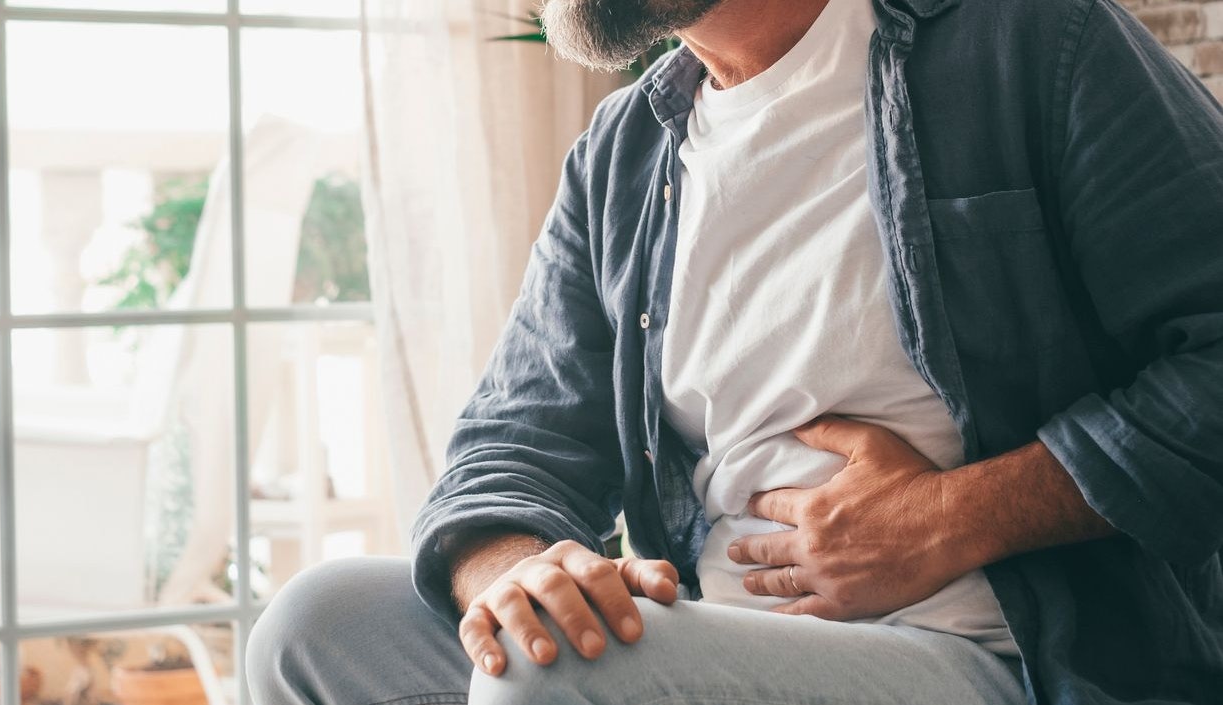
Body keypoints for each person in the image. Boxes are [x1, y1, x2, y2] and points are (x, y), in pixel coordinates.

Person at [245, 0, 1223, 702]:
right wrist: (513, 570)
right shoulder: (623, 157)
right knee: (319, 622)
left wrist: (953, 518)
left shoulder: (1031, 45)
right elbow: (513, 440)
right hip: (714, 644)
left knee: (554, 677)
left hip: (990, 658)